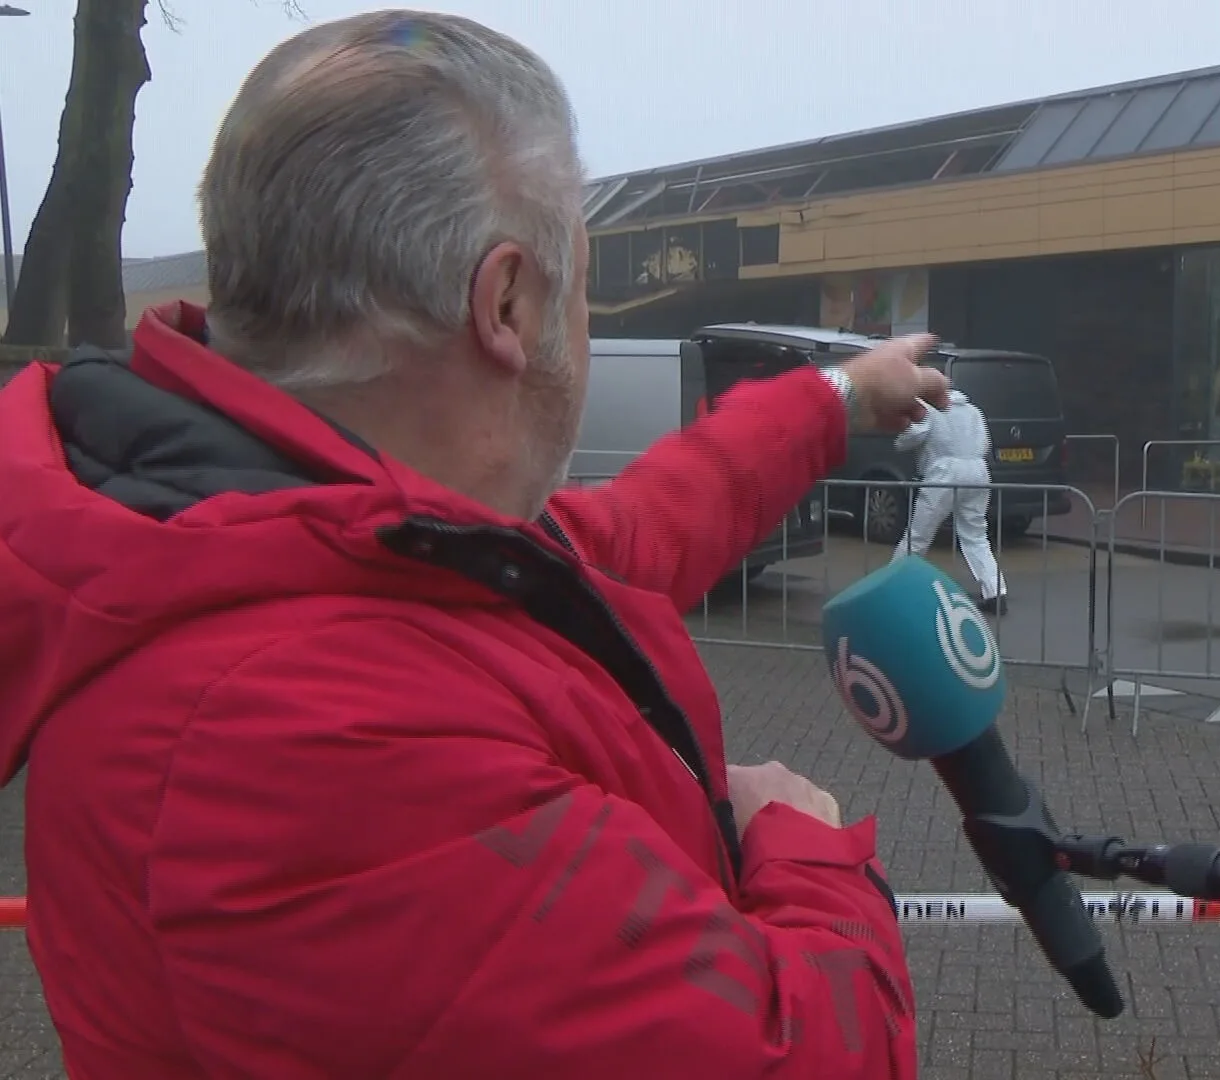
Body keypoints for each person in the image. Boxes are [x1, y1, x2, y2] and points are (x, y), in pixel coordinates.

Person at [0, 11, 945, 1077]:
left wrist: (838, 398)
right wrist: (802, 851)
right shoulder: (317, 738)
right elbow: (806, 1056)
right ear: (505, 301)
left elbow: (627, 540)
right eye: (583, 287)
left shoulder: (301, 549)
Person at [893, 387, 1008, 613]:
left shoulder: (928, 409)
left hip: (943, 472)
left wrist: (899, 438)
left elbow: (911, 438)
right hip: (978, 471)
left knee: (918, 535)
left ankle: (892, 585)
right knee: (975, 534)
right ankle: (995, 592)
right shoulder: (974, 411)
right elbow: (984, 444)